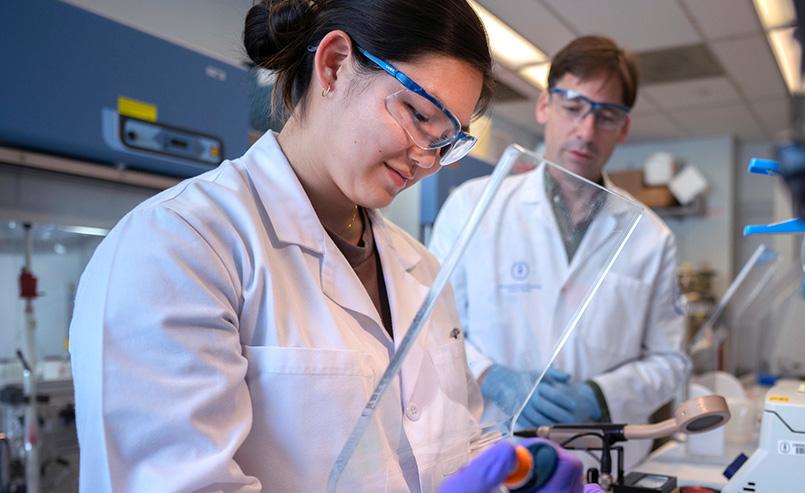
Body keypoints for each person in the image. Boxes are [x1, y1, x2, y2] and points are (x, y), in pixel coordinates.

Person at [68, 1, 585, 491]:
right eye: (419, 114)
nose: (428, 157)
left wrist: (514, 474)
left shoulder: (420, 267)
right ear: (335, 65)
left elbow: (452, 440)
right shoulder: (180, 247)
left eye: (449, 139)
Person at [429, 35, 690, 469]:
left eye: (606, 116)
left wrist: (600, 395)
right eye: (573, 107)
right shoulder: (473, 205)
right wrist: (492, 378)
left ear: (624, 127)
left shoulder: (651, 236)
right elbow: (429, 327)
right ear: (544, 106)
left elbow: (671, 362)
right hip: (493, 451)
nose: (586, 131)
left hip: (600, 462)